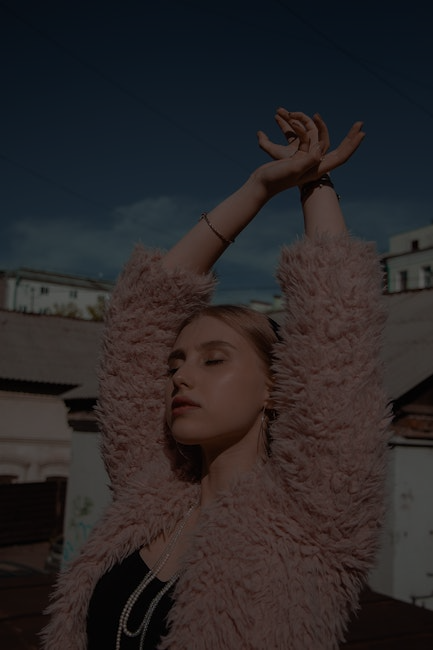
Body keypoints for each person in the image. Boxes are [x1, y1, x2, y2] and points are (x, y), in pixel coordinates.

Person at [41, 109, 390, 649]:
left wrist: (312, 179)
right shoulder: (150, 487)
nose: (180, 376)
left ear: (277, 386)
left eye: (213, 360)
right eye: (175, 363)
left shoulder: (312, 519)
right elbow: (141, 315)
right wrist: (256, 188)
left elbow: (337, 325)